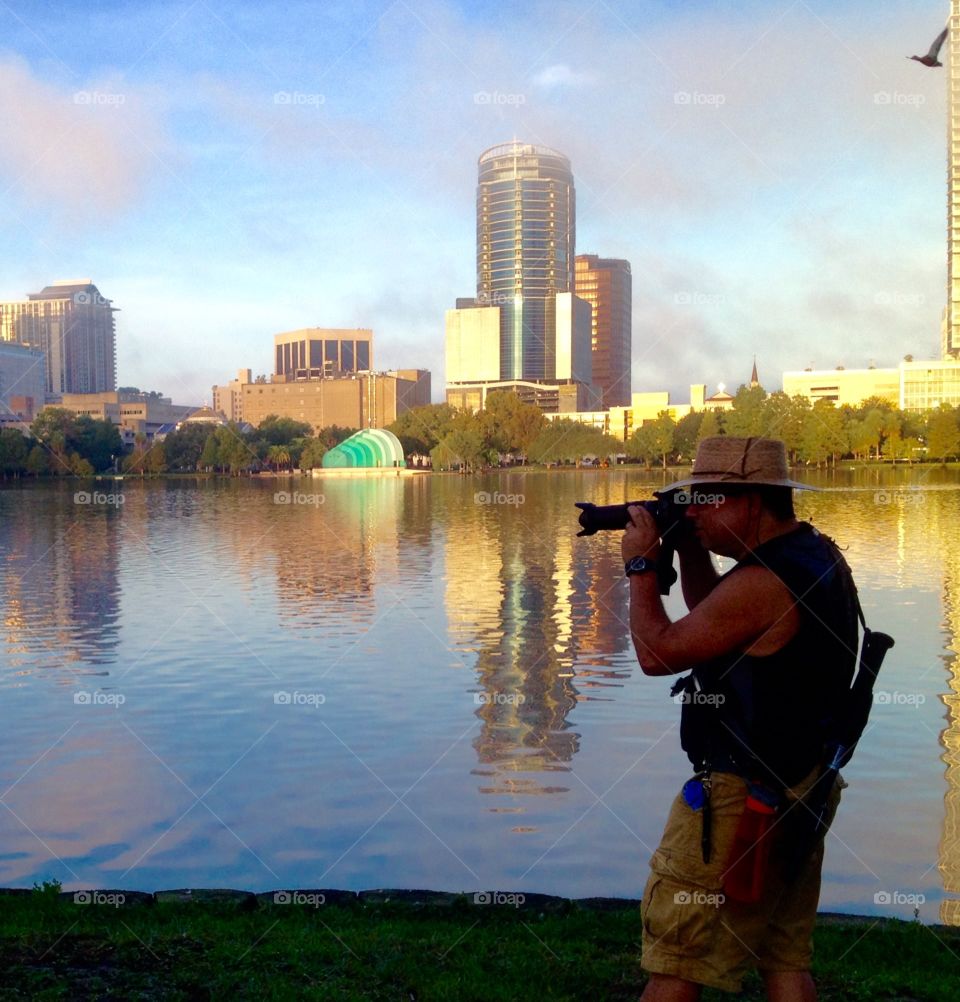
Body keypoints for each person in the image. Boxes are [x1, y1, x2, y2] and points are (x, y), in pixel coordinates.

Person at [621, 436, 861, 1002]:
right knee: (783, 956)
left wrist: (640, 566)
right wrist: (687, 550)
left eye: (707, 500)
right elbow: (720, 622)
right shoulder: (813, 554)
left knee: (677, 958)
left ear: (752, 501)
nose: (695, 512)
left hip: (737, 802)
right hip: (802, 786)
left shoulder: (763, 582)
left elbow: (658, 654)